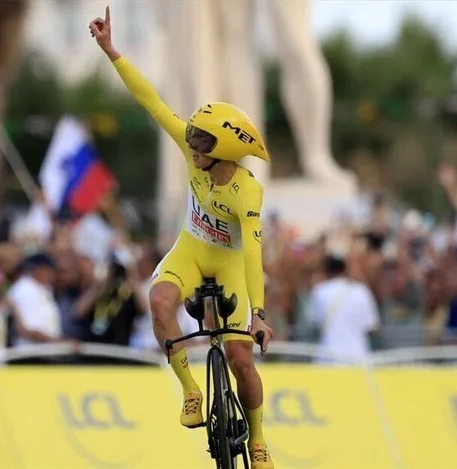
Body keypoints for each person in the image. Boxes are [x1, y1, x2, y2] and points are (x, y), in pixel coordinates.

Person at [90, 8, 275, 467]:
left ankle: (257, 439)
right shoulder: (193, 151)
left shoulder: (247, 191)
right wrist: (113, 52)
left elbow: (253, 251)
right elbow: (151, 101)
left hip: (230, 265)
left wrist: (258, 314)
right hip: (190, 251)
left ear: (225, 150)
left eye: (203, 142)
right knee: (158, 302)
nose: (192, 145)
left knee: (241, 361)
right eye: (192, 136)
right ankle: (191, 391)